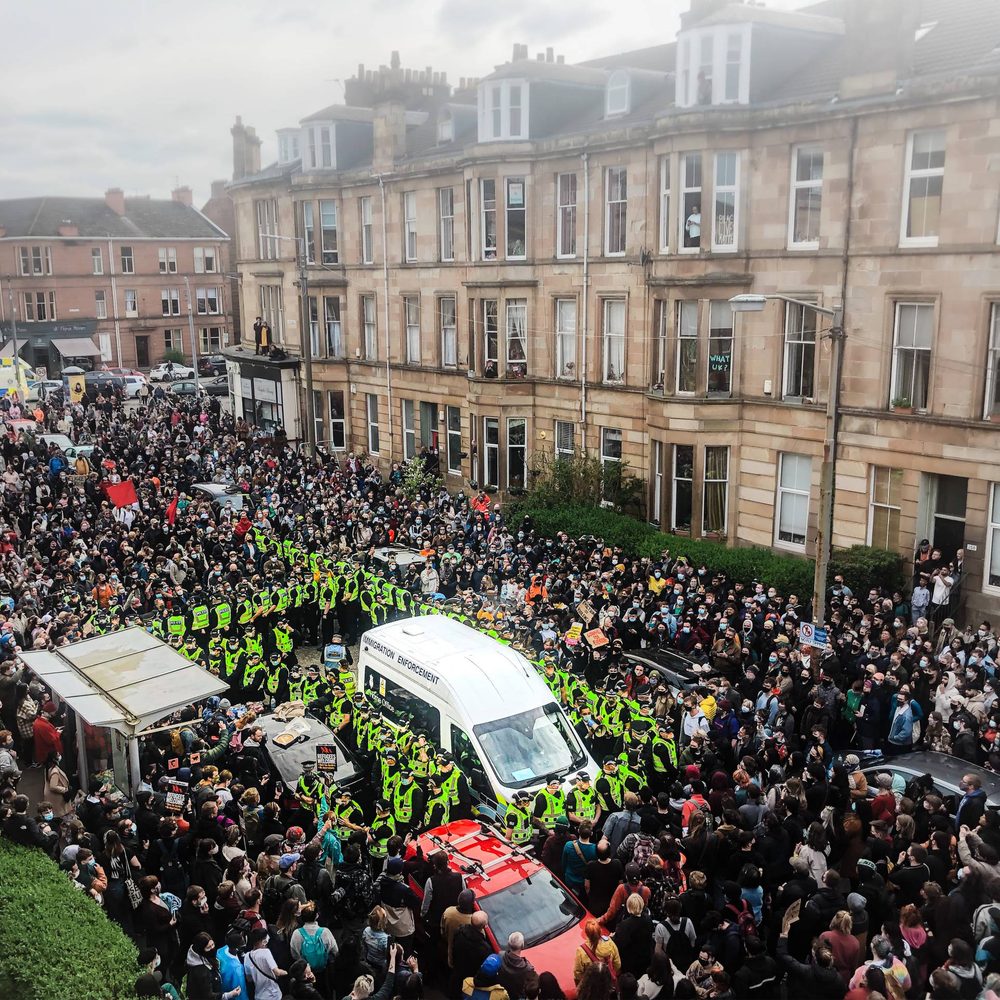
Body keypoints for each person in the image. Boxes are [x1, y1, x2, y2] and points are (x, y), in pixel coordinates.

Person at [574, 919, 621, 987]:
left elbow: (577, 974)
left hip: (593, 986)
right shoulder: (610, 943)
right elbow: (617, 964)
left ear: (586, 934)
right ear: (600, 931)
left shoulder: (581, 951)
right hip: (608, 982)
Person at [243, 927, 285, 1000]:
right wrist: (286, 972)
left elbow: (249, 978)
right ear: (263, 941)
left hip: (259, 996)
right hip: (273, 995)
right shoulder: (266, 952)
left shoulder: (247, 956)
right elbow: (277, 972)